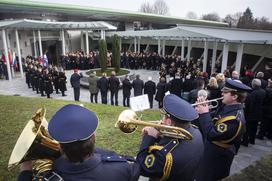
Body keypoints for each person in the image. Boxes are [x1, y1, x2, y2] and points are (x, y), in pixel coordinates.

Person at [18, 104, 140, 181]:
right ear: (94, 137)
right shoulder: (121, 168)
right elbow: (137, 167)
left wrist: (25, 172)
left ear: (60, 147)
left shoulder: (50, 174)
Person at [136, 94, 204, 181]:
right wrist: (160, 136)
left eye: (163, 117)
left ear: (168, 122)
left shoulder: (166, 156)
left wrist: (149, 137)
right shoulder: (196, 132)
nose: (161, 121)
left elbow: (142, 167)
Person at [195, 78, 252, 181]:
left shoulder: (234, 119)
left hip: (217, 157)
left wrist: (204, 113)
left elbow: (211, 133)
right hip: (212, 150)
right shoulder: (228, 106)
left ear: (234, 96)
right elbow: (215, 118)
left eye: (225, 92)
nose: (222, 92)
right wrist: (203, 109)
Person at [243, 79, 266, 145]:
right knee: (254, 127)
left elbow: (251, 105)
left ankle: (245, 141)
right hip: (258, 113)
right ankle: (252, 140)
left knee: (248, 128)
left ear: (253, 85)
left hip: (251, 113)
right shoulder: (263, 91)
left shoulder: (253, 94)